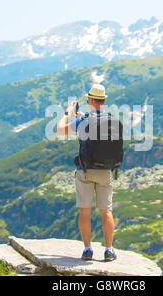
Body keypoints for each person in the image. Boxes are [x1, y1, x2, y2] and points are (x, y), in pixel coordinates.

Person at [56, 83, 117, 262]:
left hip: (85, 171)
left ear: (90, 100)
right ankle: (109, 250)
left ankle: (88, 250)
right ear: (103, 100)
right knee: (106, 211)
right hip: (105, 171)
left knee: (85, 212)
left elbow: (60, 130)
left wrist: (67, 113)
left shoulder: (82, 122)